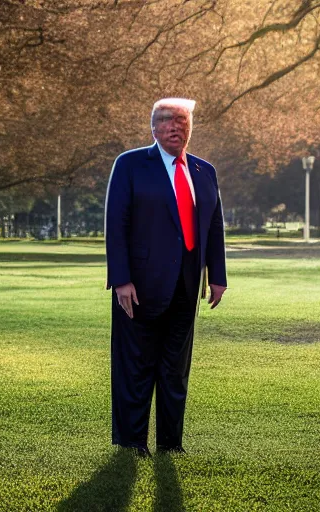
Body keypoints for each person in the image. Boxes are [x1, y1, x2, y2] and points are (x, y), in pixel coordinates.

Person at [104, 97, 227, 457]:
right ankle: (132, 442)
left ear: (190, 128)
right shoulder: (130, 165)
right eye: (167, 121)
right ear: (153, 127)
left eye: (182, 121)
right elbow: (117, 224)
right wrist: (121, 279)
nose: (175, 127)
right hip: (139, 286)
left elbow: (214, 227)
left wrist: (217, 276)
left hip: (187, 286)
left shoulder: (205, 171)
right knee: (136, 367)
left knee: (175, 370)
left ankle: (171, 444)